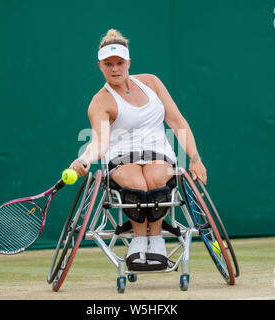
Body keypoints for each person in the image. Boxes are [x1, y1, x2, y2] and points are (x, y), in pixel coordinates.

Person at [69, 29, 207, 271]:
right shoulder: (100, 101)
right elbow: (100, 141)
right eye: (108, 64)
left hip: (158, 153)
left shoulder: (152, 82)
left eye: (120, 63)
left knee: (155, 180)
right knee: (137, 185)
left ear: (128, 62)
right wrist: (84, 159)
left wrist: (195, 158)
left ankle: (156, 241)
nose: (115, 69)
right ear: (100, 65)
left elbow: (177, 122)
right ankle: (138, 240)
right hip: (122, 158)